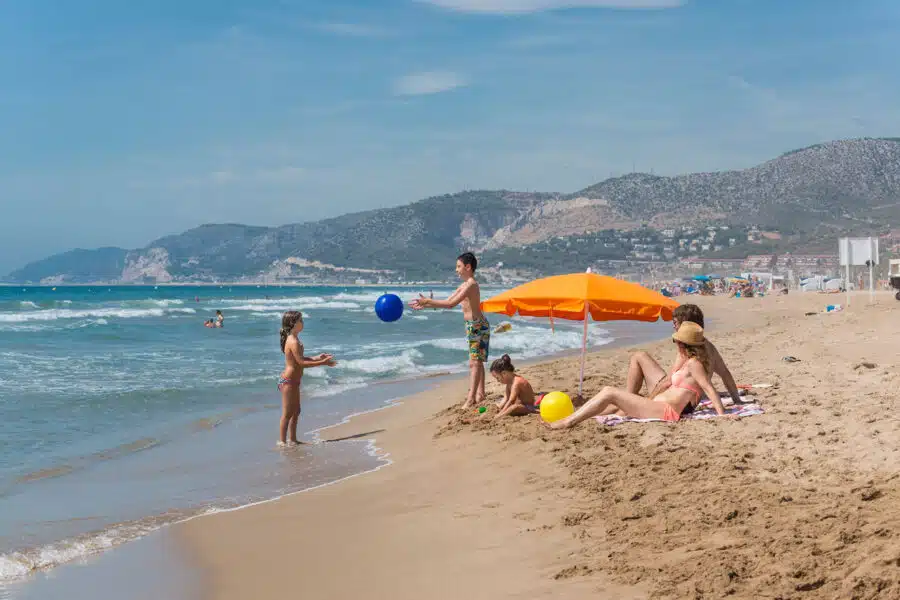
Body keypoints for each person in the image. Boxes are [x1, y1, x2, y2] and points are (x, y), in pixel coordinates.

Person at [549, 322, 727, 429]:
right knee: (614, 403)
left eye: (676, 341)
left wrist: (722, 415)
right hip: (658, 406)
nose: (675, 344)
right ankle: (573, 416)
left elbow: (708, 388)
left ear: (683, 343)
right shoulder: (688, 360)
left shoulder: (694, 364)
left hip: (666, 412)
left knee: (609, 392)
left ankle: (568, 422)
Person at [410, 252, 489, 409]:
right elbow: (447, 301)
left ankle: (471, 398)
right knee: (477, 361)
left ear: (468, 267)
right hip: (473, 326)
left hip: (477, 325)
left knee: (474, 363)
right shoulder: (464, 285)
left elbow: (451, 304)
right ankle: (481, 393)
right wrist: (427, 304)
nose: (456, 270)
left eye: (458, 266)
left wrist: (428, 301)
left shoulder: (471, 285)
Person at [626, 304, 743, 406]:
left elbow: (668, 382)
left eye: (675, 323)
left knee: (639, 356)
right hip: (692, 396)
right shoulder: (708, 346)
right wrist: (736, 399)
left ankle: (629, 397)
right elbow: (725, 374)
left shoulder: (688, 349)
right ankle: (630, 397)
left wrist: (649, 401)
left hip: (678, 398)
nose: (673, 326)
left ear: (685, 325)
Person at [277, 311, 337, 447]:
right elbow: (301, 363)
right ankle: (282, 442)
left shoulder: (295, 339)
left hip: (294, 381)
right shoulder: (293, 341)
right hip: (289, 381)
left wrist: (318, 357)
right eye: (300, 320)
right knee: (287, 413)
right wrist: (323, 363)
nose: (303, 322)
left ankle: (292, 439)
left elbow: (302, 359)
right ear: (293, 324)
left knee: (296, 411)